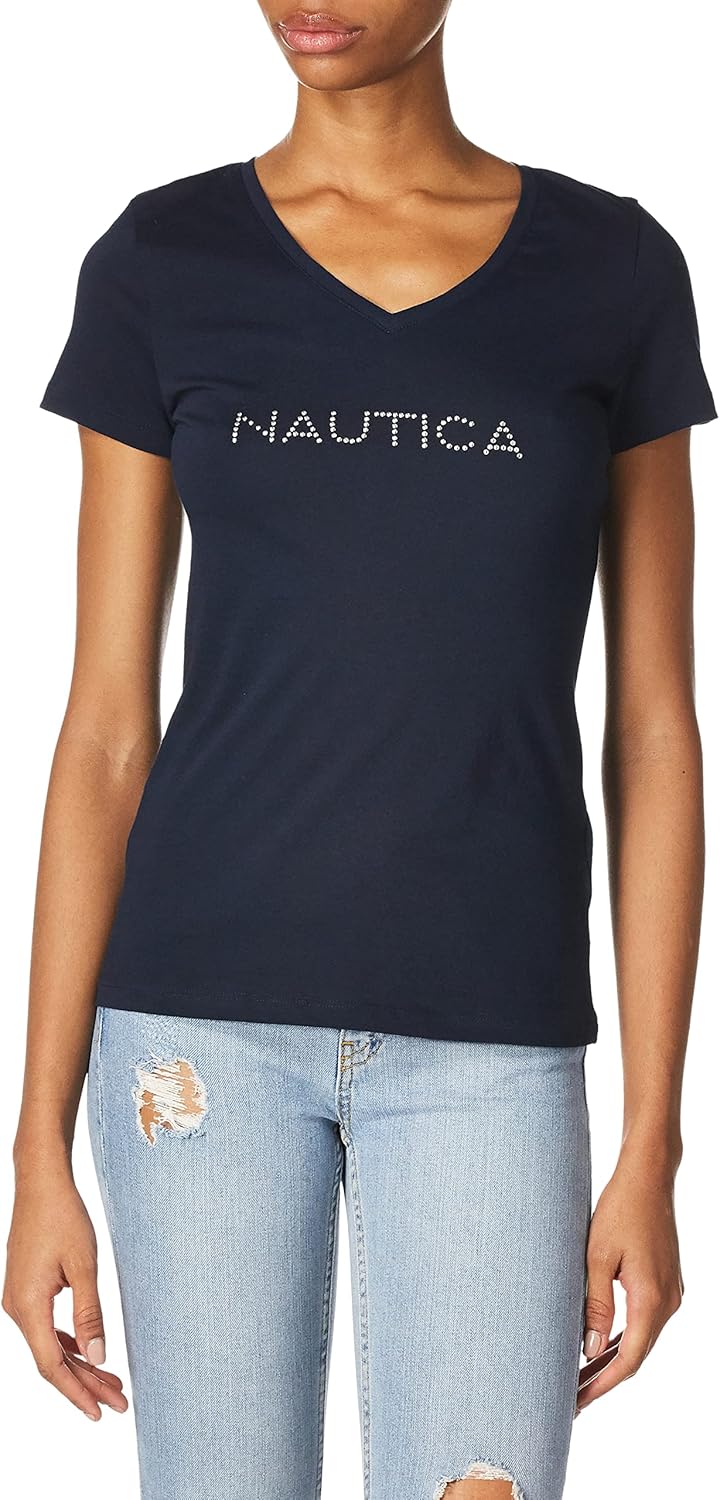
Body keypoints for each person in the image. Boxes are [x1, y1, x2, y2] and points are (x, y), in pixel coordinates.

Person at [4, 4, 716, 1498]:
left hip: (494, 1044)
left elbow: (653, 729)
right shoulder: (161, 263)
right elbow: (106, 730)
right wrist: (35, 1148)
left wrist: (652, 1143)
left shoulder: (615, 271)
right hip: (195, 1042)